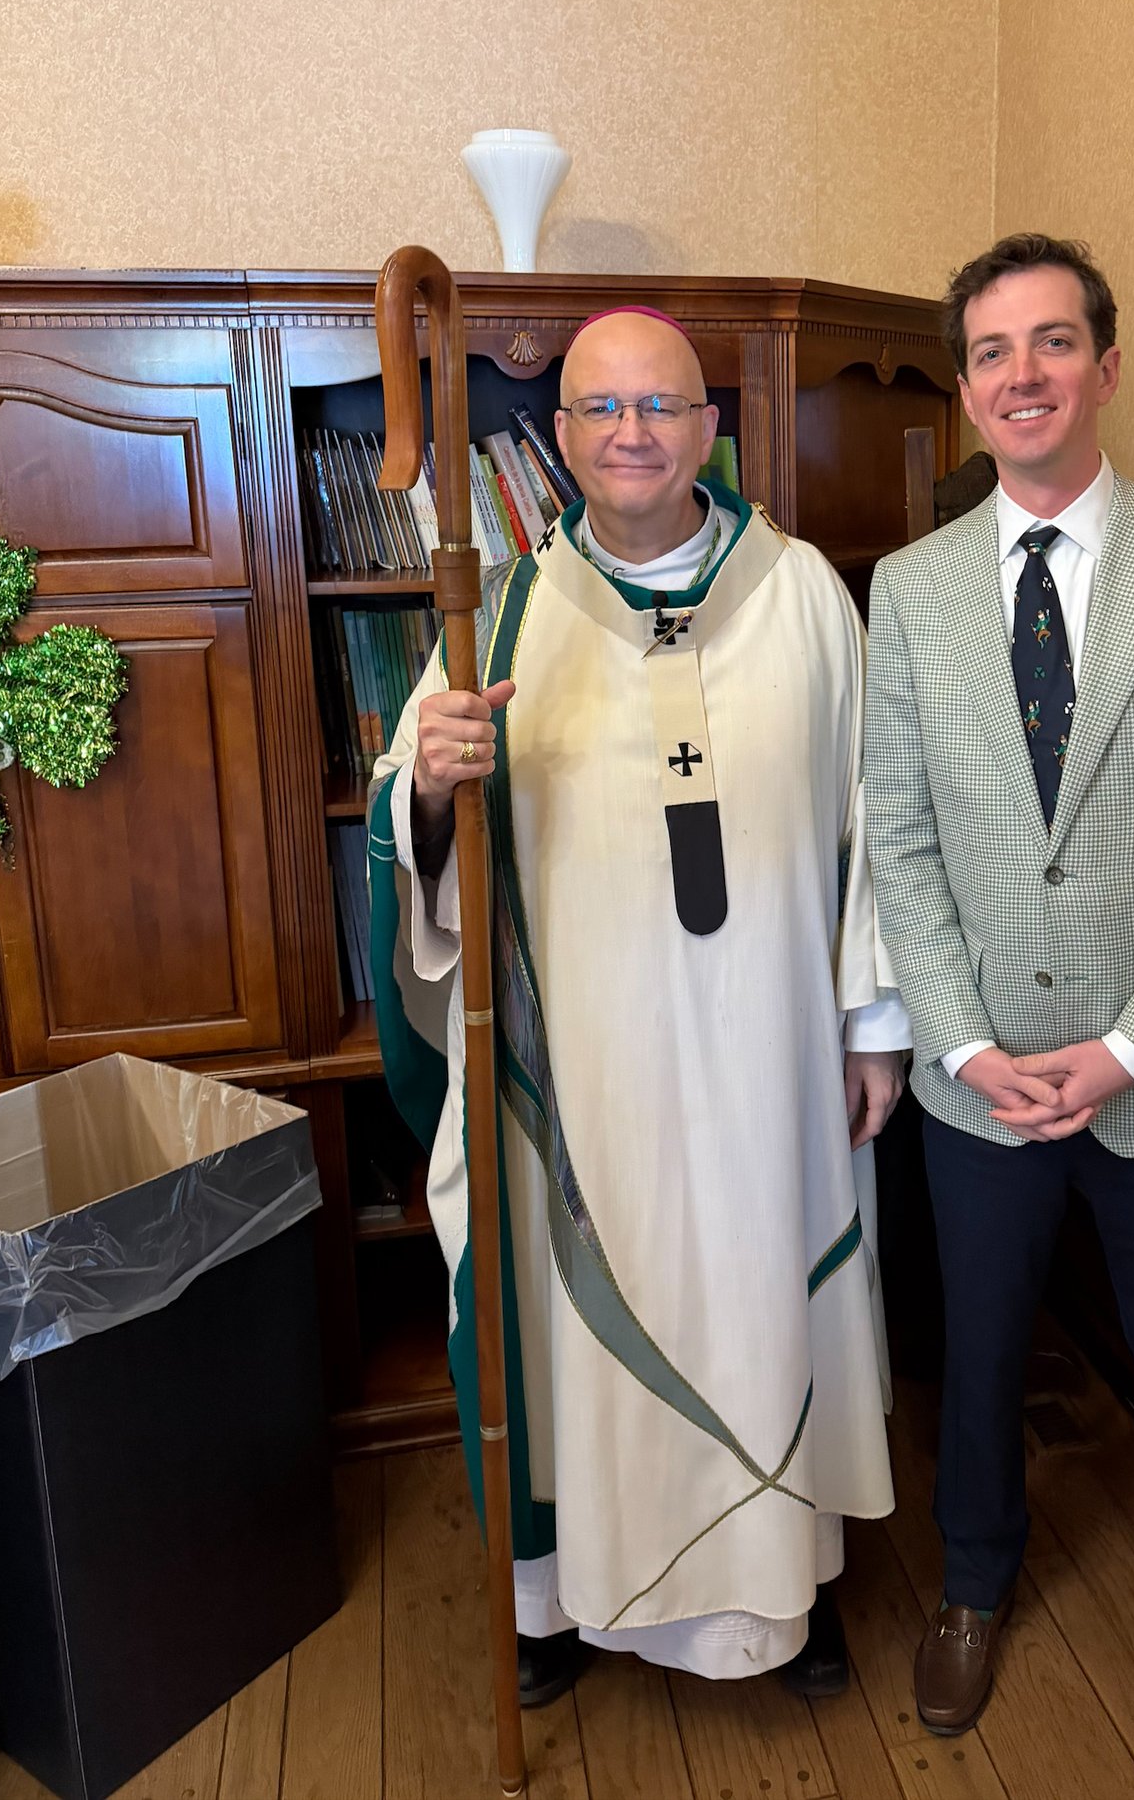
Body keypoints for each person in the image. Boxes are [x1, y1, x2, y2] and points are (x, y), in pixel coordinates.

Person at [368, 306, 905, 1703]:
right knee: (571, 1322)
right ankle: (562, 1600)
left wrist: (870, 1024)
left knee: (772, 1294)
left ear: (709, 429)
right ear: (559, 437)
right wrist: (429, 780)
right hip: (586, 1070)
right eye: (602, 411)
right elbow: (414, 813)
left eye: (659, 407)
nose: (631, 434)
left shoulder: (801, 596)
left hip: (771, 1061)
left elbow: (873, 824)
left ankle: (784, 1590)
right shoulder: (507, 609)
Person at [862, 234, 1134, 1794]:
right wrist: (966, 1046)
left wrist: (1124, 1050)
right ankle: (973, 1589)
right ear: (968, 391)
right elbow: (898, 841)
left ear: (1106, 367)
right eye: (992, 351)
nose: (1024, 373)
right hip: (984, 1085)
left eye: (1053, 343)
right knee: (975, 1357)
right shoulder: (905, 596)